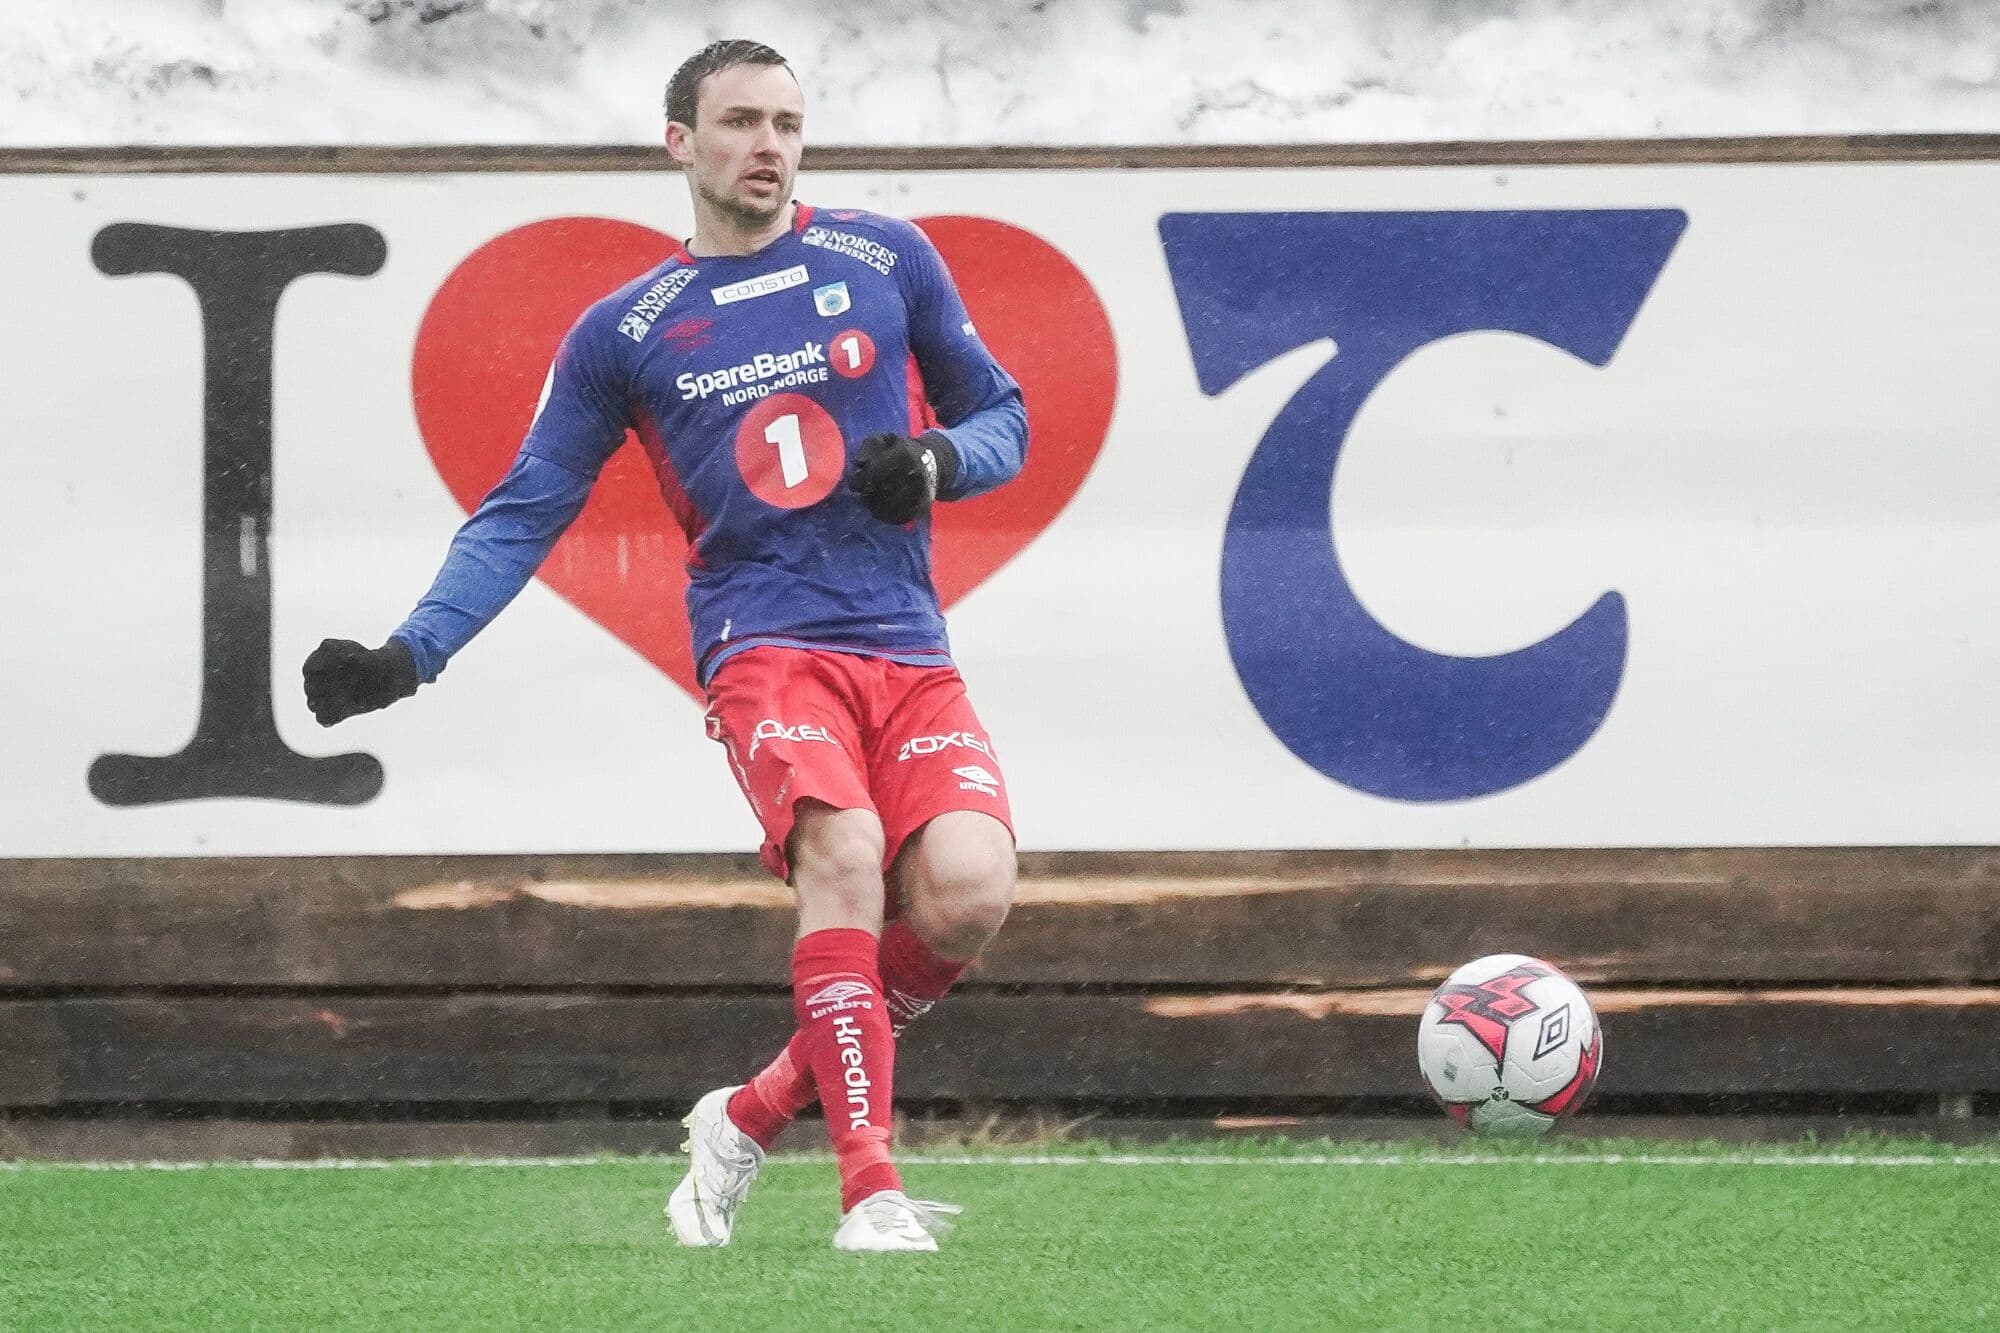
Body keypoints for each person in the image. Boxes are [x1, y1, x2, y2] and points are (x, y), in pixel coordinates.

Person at [301, 38, 1027, 1253]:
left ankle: (747, 1115)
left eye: (787, 123)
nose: (768, 146)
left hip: (906, 643)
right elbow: (524, 508)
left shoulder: (884, 256)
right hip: (764, 644)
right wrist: (409, 653)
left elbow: (1000, 412)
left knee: (968, 894)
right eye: (740, 122)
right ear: (679, 142)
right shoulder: (625, 330)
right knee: (844, 853)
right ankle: (870, 1192)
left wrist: (936, 461)